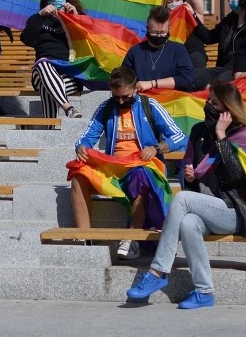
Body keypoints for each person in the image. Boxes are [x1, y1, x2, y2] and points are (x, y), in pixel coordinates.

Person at [126, 81, 246, 309]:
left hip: (233, 211)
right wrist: (189, 177)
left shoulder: (244, 133)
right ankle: (204, 291)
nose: (209, 105)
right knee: (188, 223)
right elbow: (188, 169)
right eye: (209, 101)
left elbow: (236, 175)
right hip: (206, 207)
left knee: (182, 199)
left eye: (215, 103)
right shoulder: (198, 131)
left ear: (228, 108)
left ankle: (158, 271)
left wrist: (220, 136)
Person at [71, 66, 187, 260]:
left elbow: (180, 137)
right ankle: (84, 237)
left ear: (136, 89)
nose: (121, 101)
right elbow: (87, 136)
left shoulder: (150, 105)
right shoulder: (106, 107)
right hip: (113, 167)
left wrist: (157, 148)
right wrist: (81, 147)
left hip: (143, 165)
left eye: (125, 97)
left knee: (141, 176)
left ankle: (130, 238)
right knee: (77, 174)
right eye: (116, 97)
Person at [20, 0, 84, 118]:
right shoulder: (37, 18)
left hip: (69, 73)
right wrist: (40, 15)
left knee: (47, 88)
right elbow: (27, 39)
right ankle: (68, 108)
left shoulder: (76, 17)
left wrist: (76, 19)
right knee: (43, 63)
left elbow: (86, 44)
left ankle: (49, 130)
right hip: (42, 72)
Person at [122, 5, 195, 92]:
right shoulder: (135, 52)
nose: (159, 36)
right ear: (147, 29)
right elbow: (123, 79)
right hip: (143, 100)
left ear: (169, 29)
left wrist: (152, 84)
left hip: (170, 101)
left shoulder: (178, 50)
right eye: (154, 32)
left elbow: (187, 79)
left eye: (163, 32)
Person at [163, 0, 210, 88]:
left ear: (184, 1)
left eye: (178, 0)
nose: (174, 3)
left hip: (196, 58)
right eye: (170, 1)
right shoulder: (165, 22)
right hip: (175, 62)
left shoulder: (194, 13)